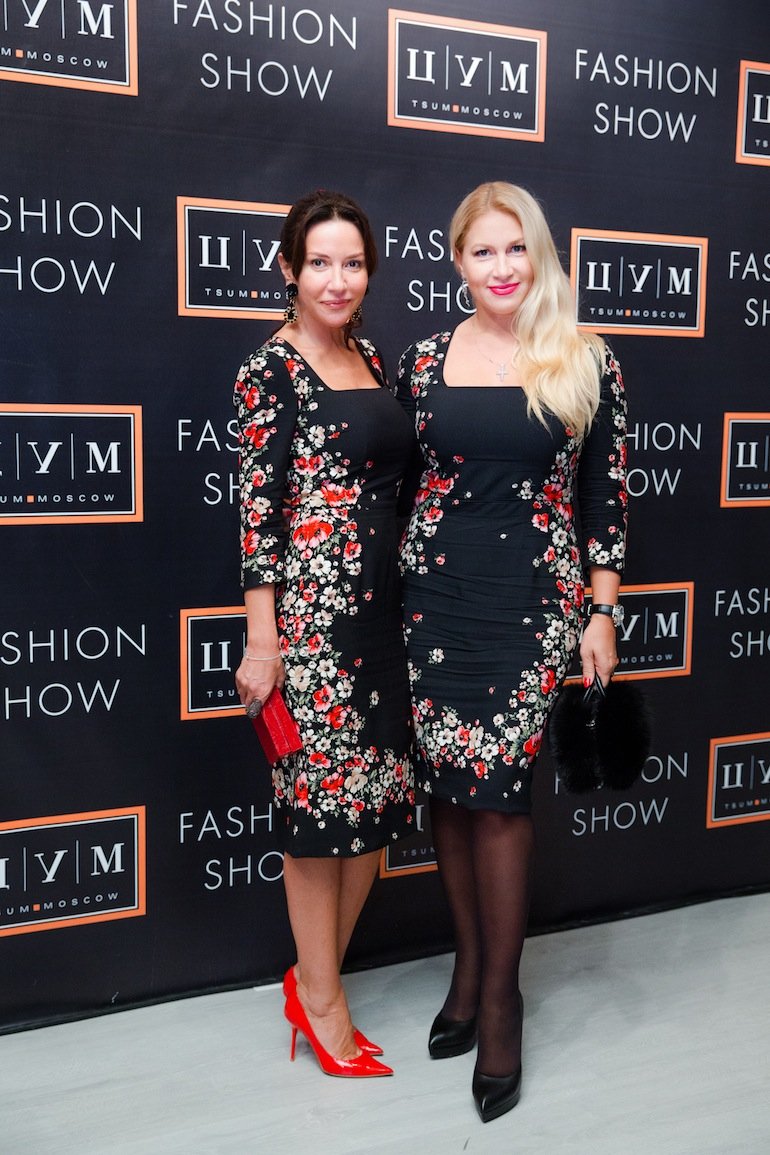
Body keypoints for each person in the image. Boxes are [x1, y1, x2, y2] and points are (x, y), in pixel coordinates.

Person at [396, 181, 628, 1122]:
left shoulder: (586, 357)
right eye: (482, 250)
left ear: (540, 255)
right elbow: (396, 486)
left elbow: (605, 493)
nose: (502, 267)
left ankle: (501, 1000)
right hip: (434, 600)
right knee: (450, 795)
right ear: (457, 260)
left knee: (497, 797)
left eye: (516, 247)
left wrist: (602, 611)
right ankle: (467, 964)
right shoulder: (420, 360)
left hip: (533, 602)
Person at [233, 189, 415, 1079]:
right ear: (289, 270)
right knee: (316, 823)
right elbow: (257, 518)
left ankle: (311, 981)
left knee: (374, 812)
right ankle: (324, 1002)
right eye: (319, 264)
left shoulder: (369, 356)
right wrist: (263, 642)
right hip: (312, 629)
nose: (337, 280)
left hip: (386, 615)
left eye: (352, 263)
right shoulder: (269, 371)